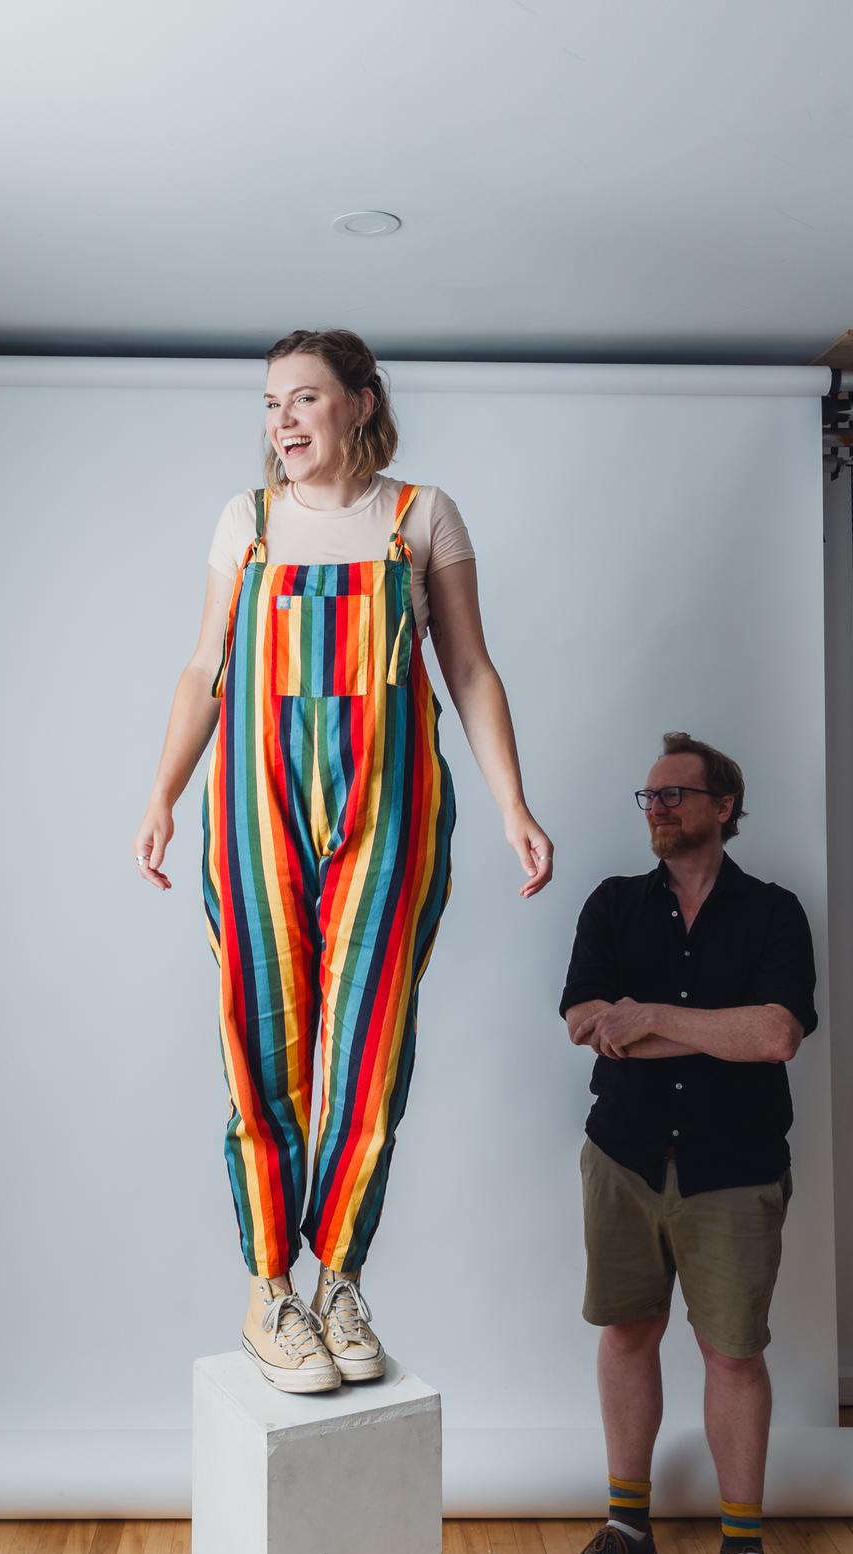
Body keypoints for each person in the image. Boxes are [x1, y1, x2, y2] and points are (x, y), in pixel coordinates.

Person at [134, 328, 553, 1394]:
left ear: (362, 404)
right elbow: (203, 668)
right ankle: (269, 1287)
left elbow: (468, 665)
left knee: (369, 1049)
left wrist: (513, 804)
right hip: (257, 806)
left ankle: (341, 1279)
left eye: (305, 399)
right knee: (263, 1041)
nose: (281, 421)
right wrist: (163, 796)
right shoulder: (251, 520)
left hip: (392, 810)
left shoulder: (421, 516)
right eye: (271, 403)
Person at [557, 731, 817, 1554]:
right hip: (623, 1158)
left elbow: (778, 1036)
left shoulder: (775, 913)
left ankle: (743, 1550)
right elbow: (588, 1021)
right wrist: (713, 1030)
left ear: (724, 807)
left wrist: (655, 1017)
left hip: (735, 1170)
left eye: (676, 793)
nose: (658, 806)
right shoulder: (613, 905)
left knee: (733, 1355)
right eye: (650, 796)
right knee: (629, 1334)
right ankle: (630, 1530)